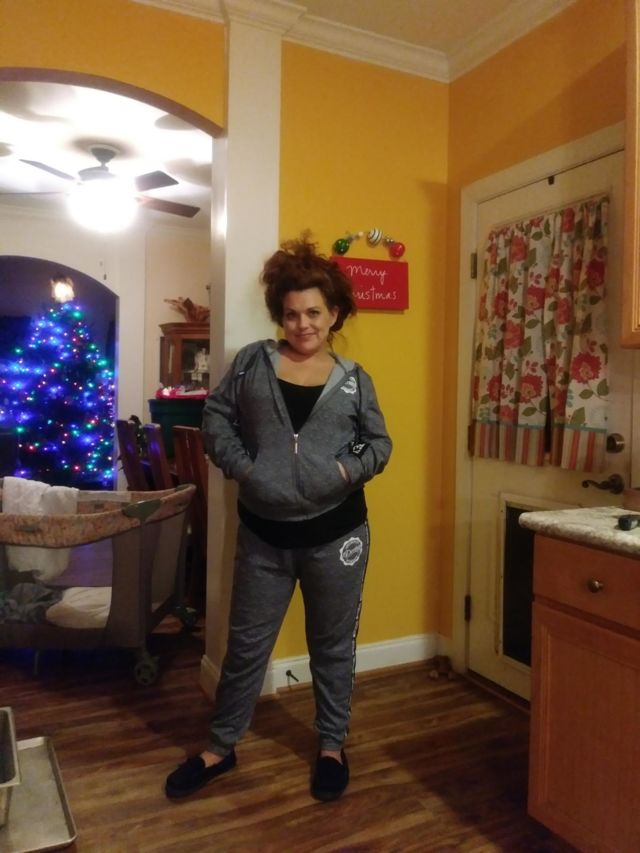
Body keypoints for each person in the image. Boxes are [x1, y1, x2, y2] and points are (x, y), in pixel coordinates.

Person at [165, 234, 392, 802]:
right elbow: (216, 418)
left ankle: (332, 745)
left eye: (313, 312)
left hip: (337, 537)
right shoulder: (252, 363)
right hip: (264, 537)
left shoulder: (354, 379)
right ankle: (220, 747)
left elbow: (380, 446)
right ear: (279, 315)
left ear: (333, 314)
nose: (302, 324)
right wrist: (246, 469)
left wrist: (341, 472)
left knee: (332, 645)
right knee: (246, 646)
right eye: (291, 314)